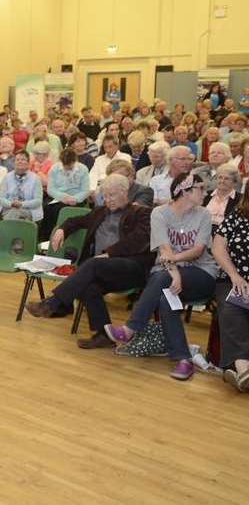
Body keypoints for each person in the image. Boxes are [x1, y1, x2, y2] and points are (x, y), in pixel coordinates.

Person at [105, 173, 218, 380]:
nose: (206, 192)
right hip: (168, 273)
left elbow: (198, 250)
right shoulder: (160, 213)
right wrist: (174, 273)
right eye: (200, 188)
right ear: (185, 191)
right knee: (166, 299)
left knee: (160, 279)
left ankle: (130, 329)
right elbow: (163, 249)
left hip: (201, 272)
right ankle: (183, 360)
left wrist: (172, 266)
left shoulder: (203, 214)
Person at [26, 174, 153, 329]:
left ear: (125, 192)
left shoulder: (142, 213)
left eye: (111, 195)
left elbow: (138, 240)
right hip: (103, 269)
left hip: (132, 268)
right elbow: (76, 221)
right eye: (104, 196)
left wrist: (109, 253)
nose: (107, 200)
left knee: (92, 264)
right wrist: (62, 229)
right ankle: (103, 333)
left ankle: (53, 303)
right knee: (88, 286)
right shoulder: (100, 212)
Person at [210, 189, 249, 393]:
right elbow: (218, 247)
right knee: (231, 308)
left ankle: (239, 373)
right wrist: (234, 274)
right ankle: (244, 370)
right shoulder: (237, 215)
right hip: (233, 279)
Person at [43, 147, 90, 239]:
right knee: (49, 209)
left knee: (62, 209)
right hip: (59, 197)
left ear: (75, 161)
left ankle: (66, 235)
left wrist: (75, 199)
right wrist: (63, 197)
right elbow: (51, 189)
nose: (67, 167)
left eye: (70, 165)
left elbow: (85, 190)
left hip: (76, 198)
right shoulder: (54, 169)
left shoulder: (83, 169)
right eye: (65, 165)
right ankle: (47, 238)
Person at [0, 151, 43, 222]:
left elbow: (38, 201)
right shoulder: (7, 177)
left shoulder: (35, 179)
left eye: (23, 159)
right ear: (14, 163)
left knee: (15, 214)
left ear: (28, 163)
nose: (20, 161)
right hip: (9, 208)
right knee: (14, 213)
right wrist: (11, 204)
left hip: (28, 210)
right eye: (17, 160)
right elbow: (1, 198)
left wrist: (22, 204)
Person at [203, 163, 240, 233]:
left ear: (234, 182)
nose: (222, 181)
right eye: (220, 177)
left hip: (226, 235)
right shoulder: (205, 195)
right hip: (202, 232)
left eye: (226, 179)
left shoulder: (240, 200)